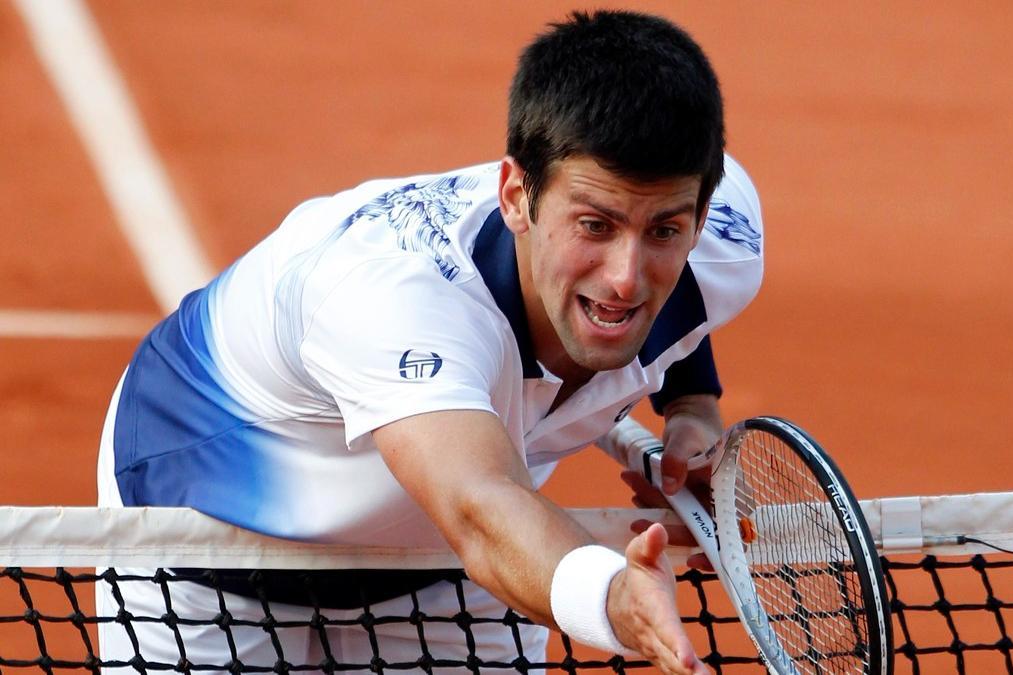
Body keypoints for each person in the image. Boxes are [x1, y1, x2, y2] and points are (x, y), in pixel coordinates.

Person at [96, 9, 763, 674]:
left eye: (666, 232)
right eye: (594, 224)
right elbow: (480, 505)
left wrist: (692, 408)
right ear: (515, 196)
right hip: (212, 528)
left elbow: (677, 309)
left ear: (701, 217)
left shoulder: (721, 238)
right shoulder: (394, 300)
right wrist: (612, 598)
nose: (625, 277)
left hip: (440, 562)